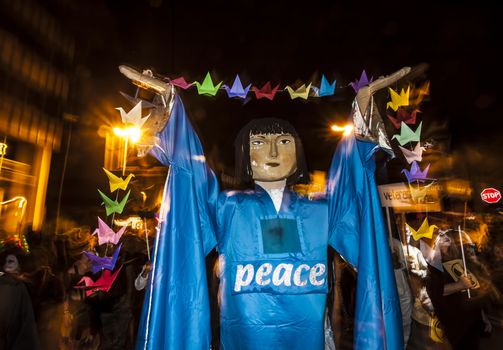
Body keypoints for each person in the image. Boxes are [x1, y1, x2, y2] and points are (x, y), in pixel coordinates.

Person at [128, 66, 411, 350]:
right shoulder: (229, 208)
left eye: (284, 142)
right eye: (260, 143)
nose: (273, 153)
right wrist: (170, 104)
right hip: (243, 339)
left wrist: (362, 104)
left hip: (308, 338)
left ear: (298, 153)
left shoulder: (320, 211)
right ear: (245, 156)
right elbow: (190, 175)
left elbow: (351, 182)